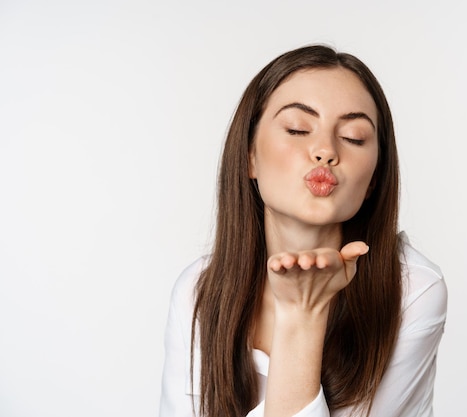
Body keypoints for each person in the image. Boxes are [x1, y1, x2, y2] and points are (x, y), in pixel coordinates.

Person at [159, 45, 447, 417]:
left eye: (355, 137)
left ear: (374, 177)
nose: (325, 151)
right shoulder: (196, 292)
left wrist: (301, 314)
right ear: (249, 155)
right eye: (298, 129)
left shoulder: (412, 291)